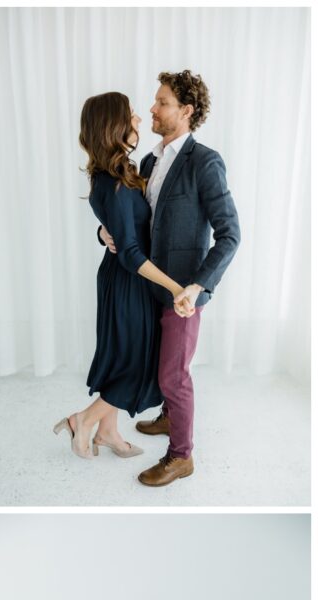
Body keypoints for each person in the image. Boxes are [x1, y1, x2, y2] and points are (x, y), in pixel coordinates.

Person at [101, 71, 240, 487]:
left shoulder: (206, 162)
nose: (152, 109)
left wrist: (198, 287)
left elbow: (230, 234)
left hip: (182, 293)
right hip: (146, 286)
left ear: (186, 111)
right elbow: (136, 223)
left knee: (173, 375)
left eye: (161, 102)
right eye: (155, 101)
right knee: (155, 365)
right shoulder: (148, 161)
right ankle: (167, 417)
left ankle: (181, 457)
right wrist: (104, 233)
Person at [54, 92, 194, 462]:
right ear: (113, 126)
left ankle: (109, 433)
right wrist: (176, 286)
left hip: (125, 278)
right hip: (130, 281)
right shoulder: (113, 182)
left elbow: (118, 229)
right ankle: (81, 421)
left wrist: (102, 233)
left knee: (123, 356)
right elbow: (131, 253)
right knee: (133, 362)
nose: (137, 121)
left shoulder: (118, 172)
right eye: (130, 117)